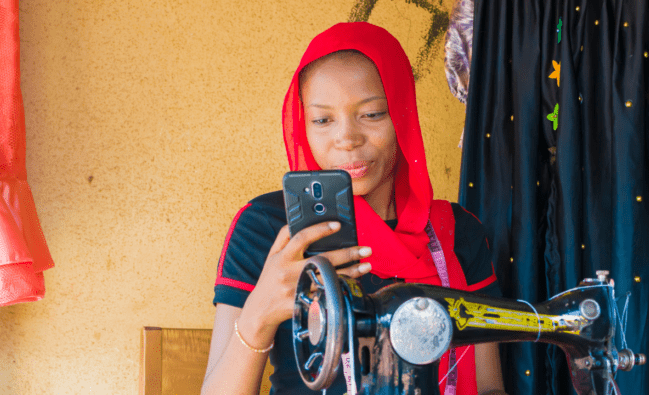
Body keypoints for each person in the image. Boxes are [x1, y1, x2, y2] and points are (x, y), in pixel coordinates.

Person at [201, 22, 506, 395]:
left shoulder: (458, 231)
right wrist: (260, 314)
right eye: (323, 120)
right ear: (303, 126)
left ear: (402, 114)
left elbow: (489, 386)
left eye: (372, 113)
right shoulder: (267, 228)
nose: (347, 138)